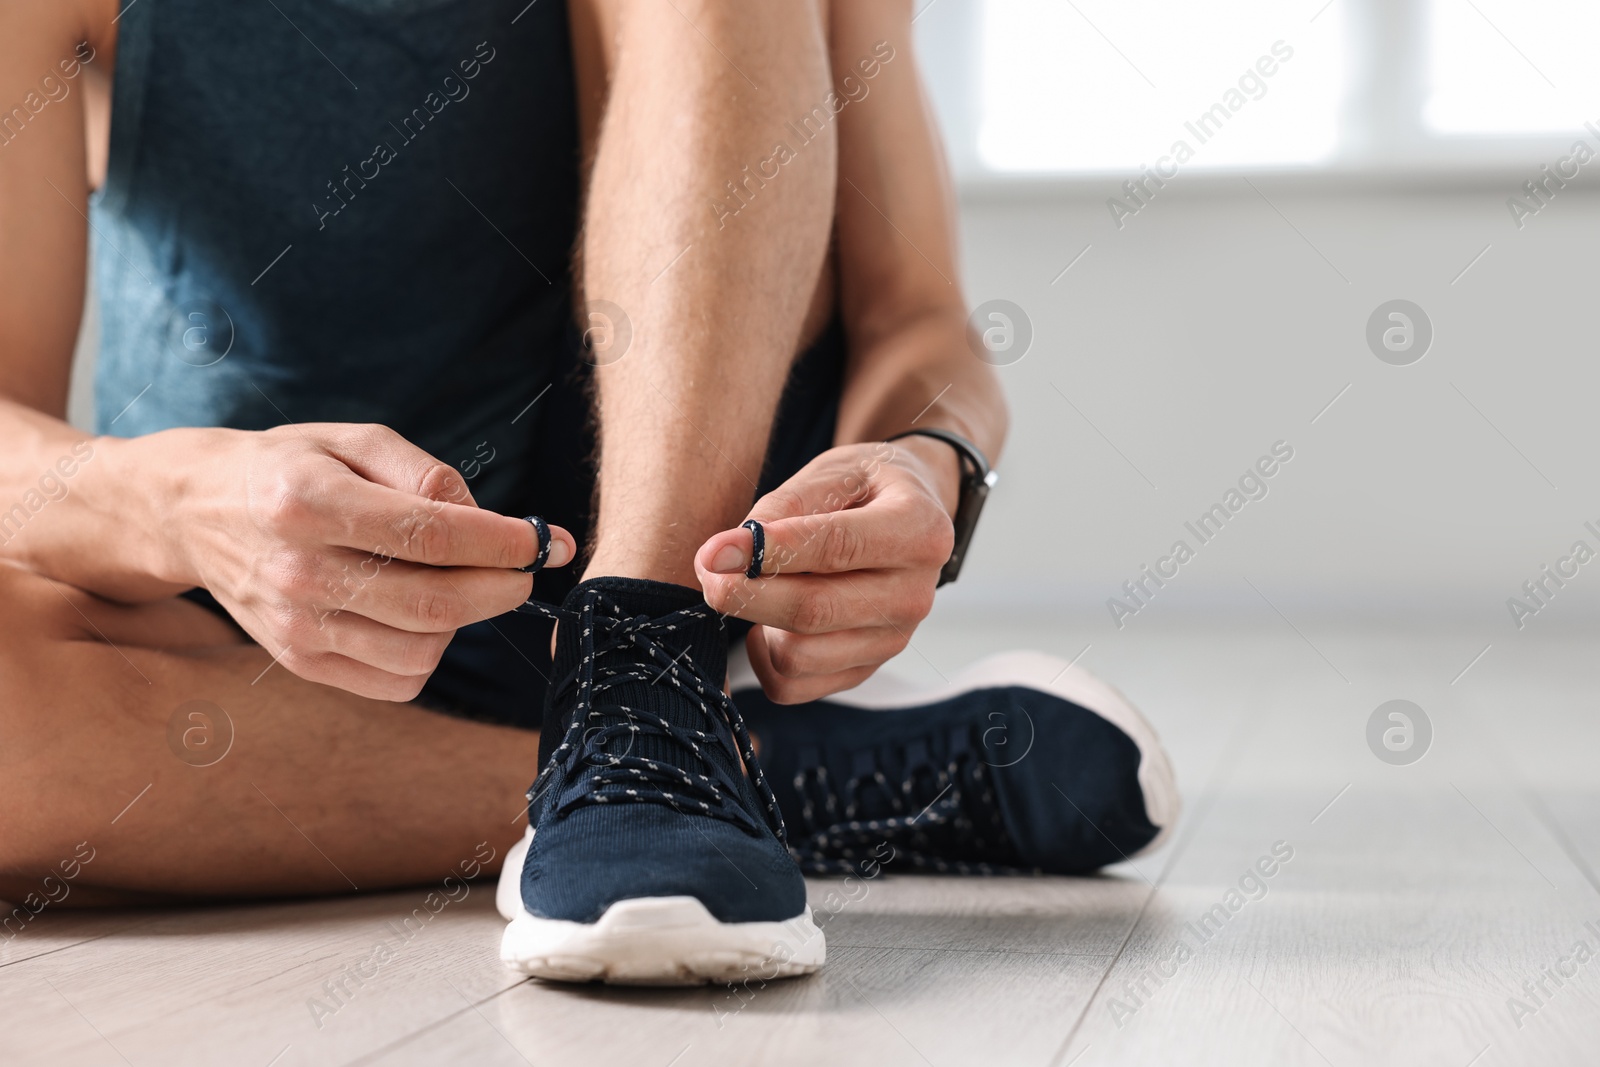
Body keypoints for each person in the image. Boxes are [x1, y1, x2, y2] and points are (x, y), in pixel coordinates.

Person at [0, 0, 1175, 983]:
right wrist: (175, 500)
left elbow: (919, 325)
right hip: (268, 646)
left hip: (679, 552)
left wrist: (930, 462)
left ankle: (642, 684)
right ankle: (753, 777)